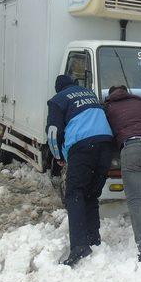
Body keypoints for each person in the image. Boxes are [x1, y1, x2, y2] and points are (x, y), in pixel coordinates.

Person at [47, 74, 114, 267]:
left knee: (74, 194)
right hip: (106, 145)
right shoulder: (89, 94)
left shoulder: (58, 100)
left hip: (84, 148)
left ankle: (79, 246)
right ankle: (94, 238)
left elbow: (53, 133)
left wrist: (58, 156)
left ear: (59, 89)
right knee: (91, 194)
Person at [105, 85, 141, 262]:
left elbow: (109, 132)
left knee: (135, 199)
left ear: (111, 94)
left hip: (133, 149)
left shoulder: (109, 107)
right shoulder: (139, 102)